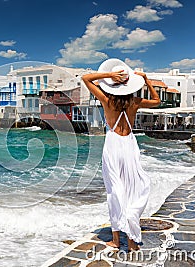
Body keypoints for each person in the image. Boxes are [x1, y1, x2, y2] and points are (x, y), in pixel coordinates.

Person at [82, 58, 160, 251]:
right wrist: (146, 80)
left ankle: (117, 240)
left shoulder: (107, 101)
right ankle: (132, 240)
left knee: (115, 191)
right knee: (133, 187)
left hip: (113, 145)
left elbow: (86, 78)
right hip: (130, 145)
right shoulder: (134, 102)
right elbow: (157, 101)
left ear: (113, 84)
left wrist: (109, 75)